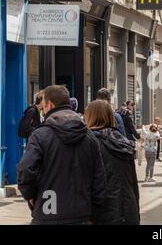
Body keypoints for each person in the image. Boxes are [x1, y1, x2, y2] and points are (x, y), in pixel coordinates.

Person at [17, 85, 106, 225]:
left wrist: (30, 195)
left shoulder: (40, 135)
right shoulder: (89, 137)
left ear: (50, 105)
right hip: (81, 213)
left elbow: (25, 170)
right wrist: (94, 212)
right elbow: (99, 179)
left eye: (43, 107)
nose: (43, 111)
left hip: (48, 211)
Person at [85, 100, 139, 225]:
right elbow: (133, 184)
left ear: (90, 117)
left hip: (100, 212)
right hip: (127, 210)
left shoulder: (88, 143)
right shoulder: (123, 142)